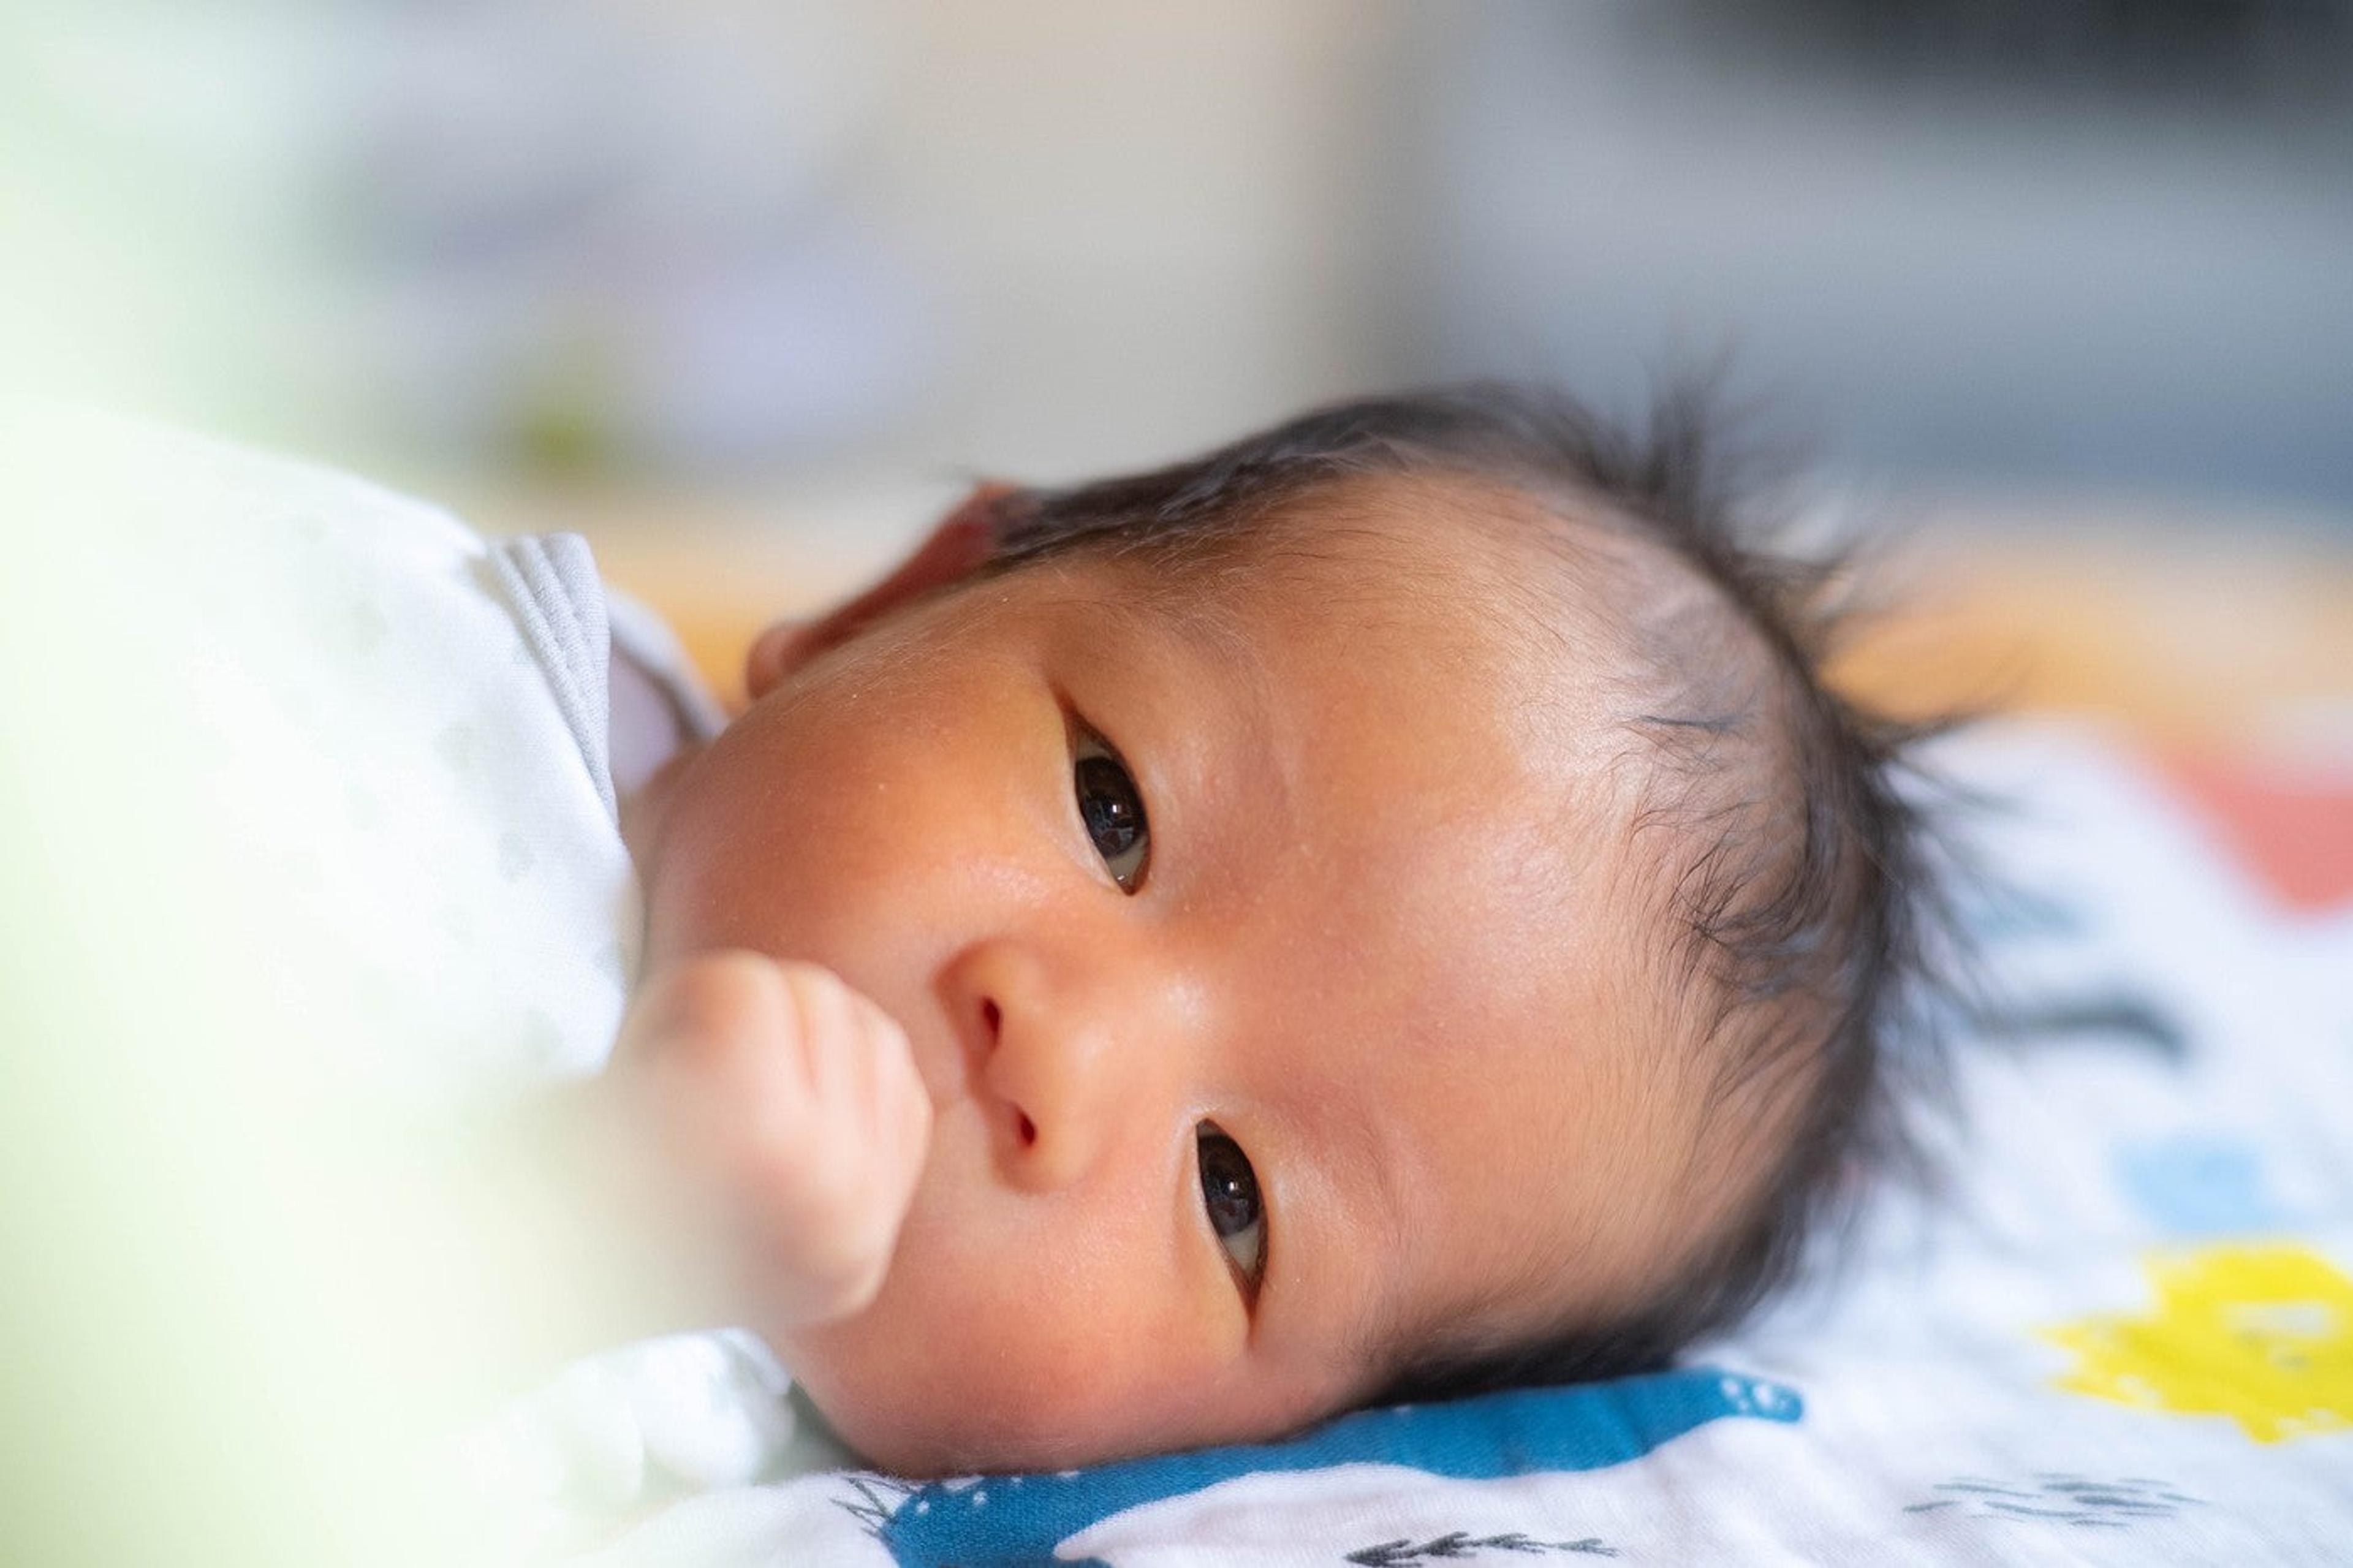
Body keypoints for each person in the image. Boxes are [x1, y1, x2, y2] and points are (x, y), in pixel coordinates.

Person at [559, 382, 1949, 1480]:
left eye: (1235, 1196)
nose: (1064, 1049)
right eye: (1113, 811)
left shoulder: (625, 1426)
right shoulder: (493, 642)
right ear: (905, 598)